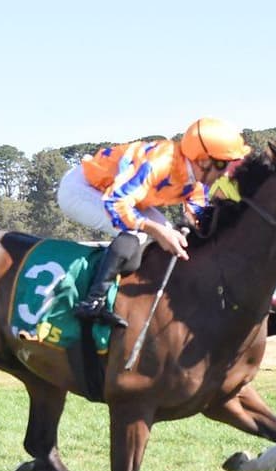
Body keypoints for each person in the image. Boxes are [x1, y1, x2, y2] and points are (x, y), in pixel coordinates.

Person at [59, 117, 251, 329]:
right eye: (222, 165)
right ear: (203, 161)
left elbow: (199, 221)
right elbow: (115, 203)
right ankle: (93, 302)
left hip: (119, 195)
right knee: (139, 234)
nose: (225, 173)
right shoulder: (159, 164)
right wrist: (155, 230)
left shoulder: (196, 181)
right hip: (82, 188)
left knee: (172, 237)